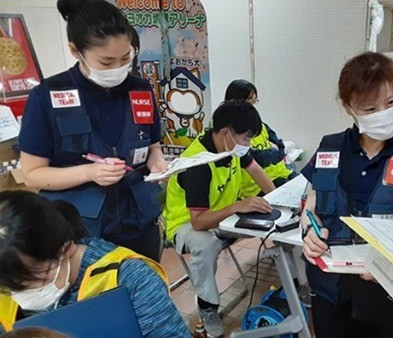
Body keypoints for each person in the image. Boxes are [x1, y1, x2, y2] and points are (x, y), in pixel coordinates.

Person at [301, 52, 393, 338]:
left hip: (388, 290)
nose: (383, 113)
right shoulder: (330, 147)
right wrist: (308, 231)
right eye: (370, 109)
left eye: (392, 102)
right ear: (349, 108)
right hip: (330, 286)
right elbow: (310, 207)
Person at [18, 0, 167, 261]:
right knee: (97, 298)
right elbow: (32, 175)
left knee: (147, 290)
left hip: (138, 221)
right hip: (80, 231)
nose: (118, 69)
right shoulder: (48, 96)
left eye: (125, 58)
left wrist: (158, 161)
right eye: (106, 62)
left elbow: (153, 145)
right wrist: (89, 172)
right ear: (76, 51)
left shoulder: (140, 90)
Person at [0, 191, 189, 337]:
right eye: (10, 288)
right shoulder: (7, 281)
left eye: (29, 281)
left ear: (64, 250)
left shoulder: (127, 278)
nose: (20, 295)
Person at [162, 100, 276, 337]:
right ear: (226, 133)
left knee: (272, 220)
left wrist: (276, 202)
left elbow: (256, 170)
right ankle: (207, 307)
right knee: (206, 244)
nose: (248, 144)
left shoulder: (230, 147)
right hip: (187, 225)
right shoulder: (197, 165)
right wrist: (238, 206)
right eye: (246, 138)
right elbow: (198, 222)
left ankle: (291, 278)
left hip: (224, 216)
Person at [224, 79, 298, 198]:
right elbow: (256, 159)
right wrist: (272, 152)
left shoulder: (260, 125)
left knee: (308, 188)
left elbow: (281, 148)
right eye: (249, 101)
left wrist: (272, 153)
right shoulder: (232, 132)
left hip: (281, 173)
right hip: (255, 186)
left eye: (254, 102)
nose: (252, 107)